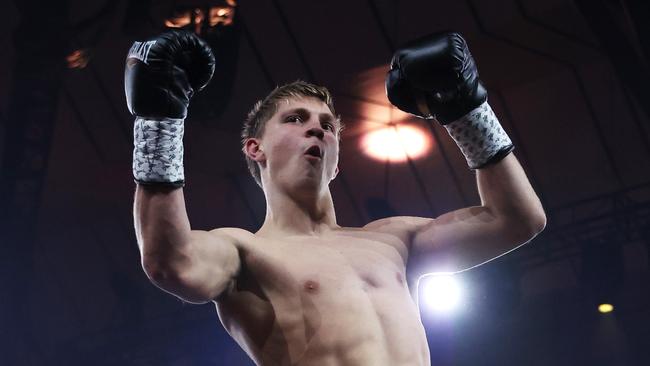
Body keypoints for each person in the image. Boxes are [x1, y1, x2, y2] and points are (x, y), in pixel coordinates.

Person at [127, 29, 546, 366]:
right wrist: (158, 123)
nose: (317, 130)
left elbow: (517, 220)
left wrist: (467, 111)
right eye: (296, 119)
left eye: (328, 126)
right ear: (255, 149)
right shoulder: (244, 252)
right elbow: (170, 262)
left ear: (336, 163)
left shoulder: (393, 240)